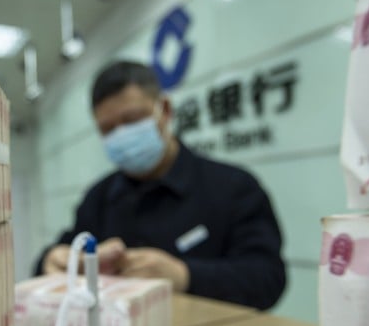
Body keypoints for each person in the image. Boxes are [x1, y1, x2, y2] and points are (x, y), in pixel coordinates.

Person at [35, 60, 287, 310]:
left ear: (165, 110)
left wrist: (184, 275)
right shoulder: (98, 199)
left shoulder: (233, 187)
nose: (121, 135)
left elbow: (268, 278)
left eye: (132, 120)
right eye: (108, 129)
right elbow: (61, 253)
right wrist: (54, 261)